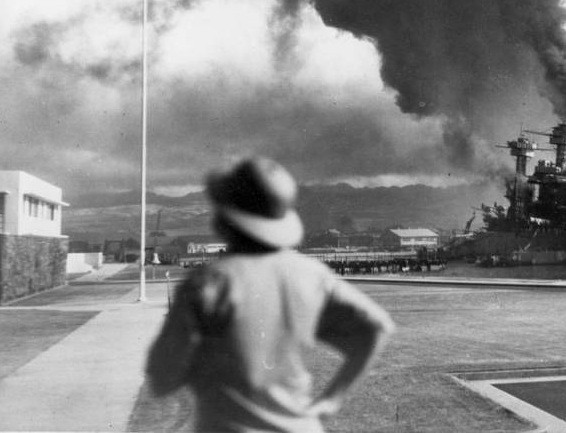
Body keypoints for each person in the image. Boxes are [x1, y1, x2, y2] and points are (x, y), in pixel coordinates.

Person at [146, 157, 395, 432]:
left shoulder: (207, 283)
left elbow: (162, 379)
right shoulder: (312, 274)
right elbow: (377, 328)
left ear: (223, 220)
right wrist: (331, 400)